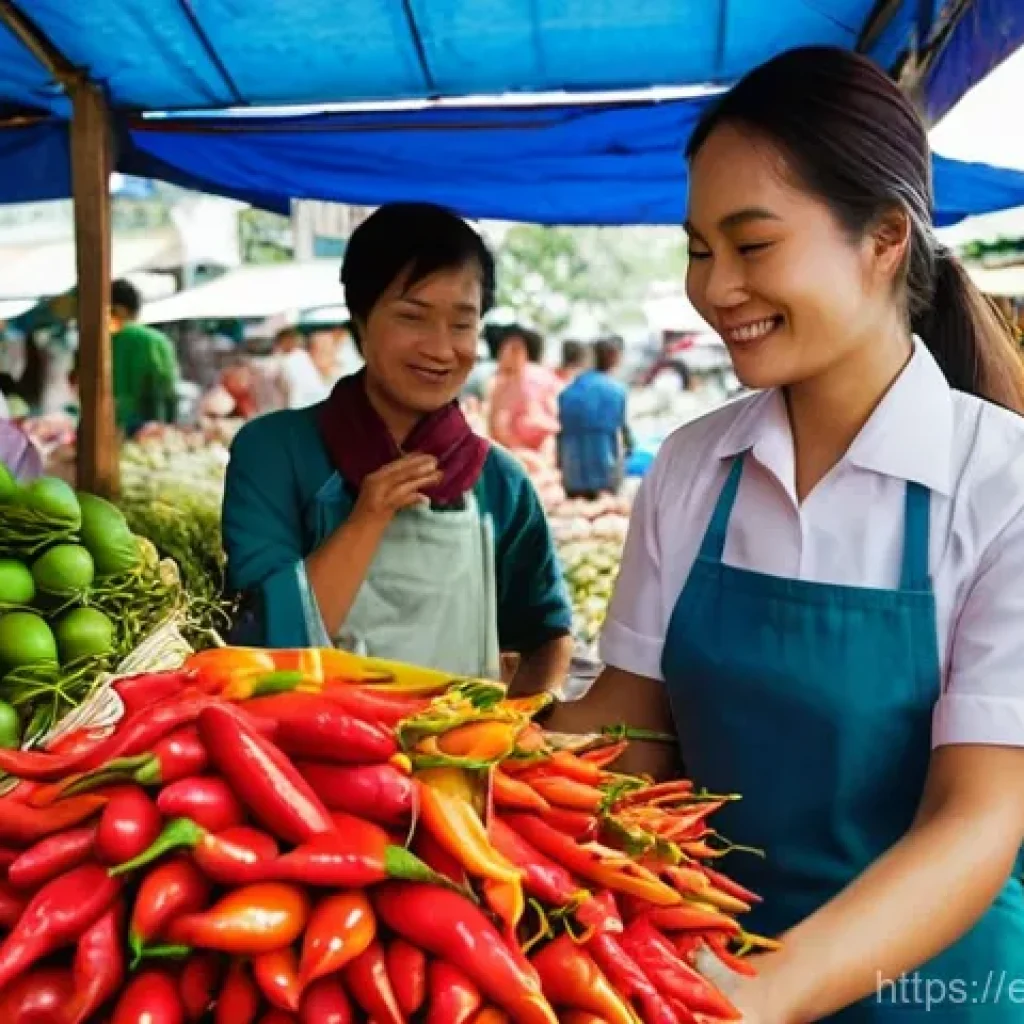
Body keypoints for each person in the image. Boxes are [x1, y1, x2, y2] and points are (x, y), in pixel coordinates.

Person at [540, 46, 1024, 1023]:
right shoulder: (690, 468)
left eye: (751, 246)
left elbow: (977, 815)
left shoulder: (999, 482)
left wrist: (764, 992)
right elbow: (634, 723)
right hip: (705, 964)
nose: (714, 287)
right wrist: (442, 766)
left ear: (884, 238)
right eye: (696, 248)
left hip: (934, 990)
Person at [222, 202, 573, 689]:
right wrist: (367, 519)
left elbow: (547, 633)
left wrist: (520, 731)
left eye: (462, 324)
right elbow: (263, 642)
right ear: (360, 321)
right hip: (305, 754)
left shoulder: (500, 481)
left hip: (454, 757)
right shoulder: (273, 452)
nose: (440, 348)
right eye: (413, 317)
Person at [557, 338, 632, 498]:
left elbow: (560, 432)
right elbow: (623, 432)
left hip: (572, 473)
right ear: (615, 357)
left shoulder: (570, 389)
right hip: (605, 473)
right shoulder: (616, 390)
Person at [110, 279, 180, 436]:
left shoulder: (95, 342)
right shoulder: (155, 341)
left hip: (104, 427)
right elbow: (166, 385)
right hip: (145, 429)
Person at [487, 324, 562, 456]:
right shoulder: (500, 382)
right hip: (514, 453)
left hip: (535, 453)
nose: (502, 355)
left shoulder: (535, 379)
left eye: (513, 349)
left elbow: (548, 421)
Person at [272, 327, 330, 409]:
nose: (288, 343)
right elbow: (283, 386)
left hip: (316, 398)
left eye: (290, 340)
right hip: (298, 402)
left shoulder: (302, 355)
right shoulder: (281, 361)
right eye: (284, 342)